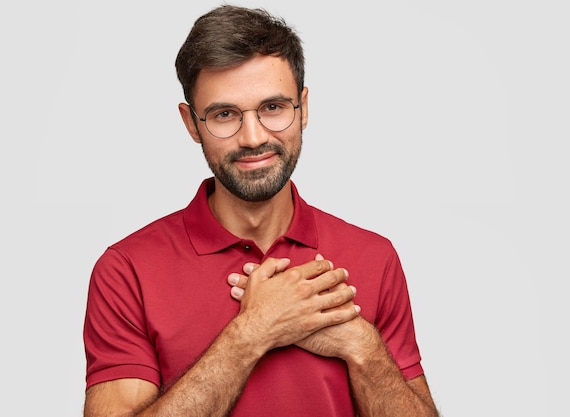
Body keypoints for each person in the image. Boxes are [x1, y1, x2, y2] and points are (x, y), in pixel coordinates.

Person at [83, 4, 438, 417]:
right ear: (191, 123)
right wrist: (253, 331)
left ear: (302, 108)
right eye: (224, 114)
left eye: (273, 108)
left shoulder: (375, 257)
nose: (253, 138)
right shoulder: (126, 270)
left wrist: (363, 346)